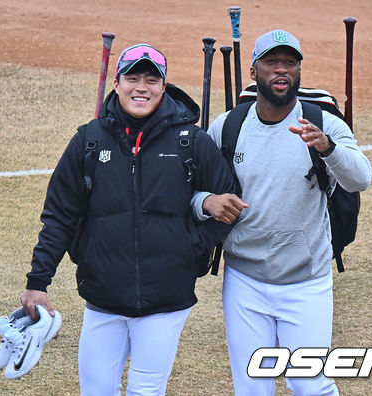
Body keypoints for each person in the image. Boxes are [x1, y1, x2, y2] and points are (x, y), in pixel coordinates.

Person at [20, 43, 238, 395]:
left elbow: (229, 205)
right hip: (103, 298)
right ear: (117, 83)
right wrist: (37, 281)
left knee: (146, 390)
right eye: (132, 77)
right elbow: (59, 215)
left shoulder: (190, 141)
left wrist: (189, 247)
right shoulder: (87, 142)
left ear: (164, 86)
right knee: (95, 390)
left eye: (151, 79)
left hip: (166, 300)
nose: (141, 87)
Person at [192, 30, 372, 395]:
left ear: (299, 70)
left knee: (310, 385)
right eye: (272, 62)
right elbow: (190, 188)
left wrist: (328, 148)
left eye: (289, 63)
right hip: (244, 280)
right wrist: (206, 202)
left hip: (307, 282)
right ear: (254, 70)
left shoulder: (324, 123)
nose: (281, 70)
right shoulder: (227, 126)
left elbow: (360, 178)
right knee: (252, 387)